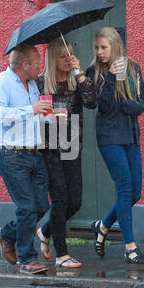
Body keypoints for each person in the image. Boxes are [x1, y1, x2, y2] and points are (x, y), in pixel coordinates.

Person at [85, 27, 144, 264]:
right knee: (124, 188)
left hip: (131, 135)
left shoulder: (133, 67)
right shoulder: (95, 72)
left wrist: (133, 107)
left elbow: (143, 102)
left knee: (135, 193)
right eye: (97, 48)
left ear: (115, 46)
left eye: (104, 47)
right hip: (109, 137)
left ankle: (102, 226)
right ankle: (129, 247)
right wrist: (110, 76)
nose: (100, 52)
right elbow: (103, 107)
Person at [0, 45, 53, 274]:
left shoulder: (33, 85)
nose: (40, 68)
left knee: (41, 206)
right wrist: (30, 109)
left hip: (35, 154)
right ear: (25, 65)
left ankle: (7, 234)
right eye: (37, 64)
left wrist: (53, 118)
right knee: (26, 207)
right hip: (12, 155)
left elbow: (35, 117)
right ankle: (27, 259)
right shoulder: (1, 83)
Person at [35, 38, 97, 268]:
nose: (67, 60)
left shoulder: (75, 81)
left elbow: (92, 102)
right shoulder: (40, 83)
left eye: (69, 55)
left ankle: (45, 230)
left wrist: (80, 72)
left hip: (71, 144)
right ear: (52, 58)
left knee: (75, 202)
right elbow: (33, 115)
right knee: (60, 199)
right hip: (49, 145)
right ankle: (62, 255)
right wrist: (49, 118)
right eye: (62, 56)